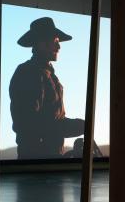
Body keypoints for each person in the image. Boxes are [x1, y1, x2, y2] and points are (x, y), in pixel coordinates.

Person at [9, 17, 85, 160]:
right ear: (42, 44)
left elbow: (55, 119)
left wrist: (81, 126)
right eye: (55, 41)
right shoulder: (28, 72)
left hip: (51, 160)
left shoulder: (49, 75)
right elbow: (28, 123)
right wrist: (78, 126)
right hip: (36, 162)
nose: (59, 47)